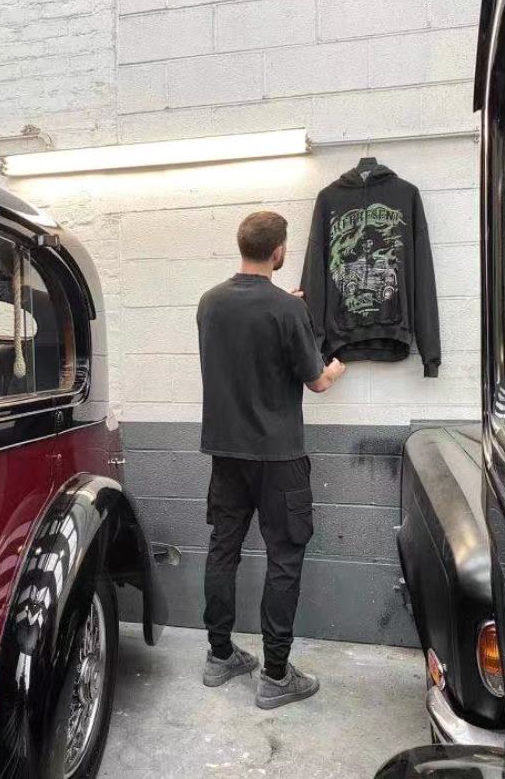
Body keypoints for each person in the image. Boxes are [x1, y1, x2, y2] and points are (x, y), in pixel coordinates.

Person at [197, 211, 346, 709]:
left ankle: (220, 656)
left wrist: (290, 311)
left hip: (226, 454)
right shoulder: (287, 309)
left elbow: (247, 338)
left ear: (242, 245)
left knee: (223, 549)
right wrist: (336, 368)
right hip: (279, 458)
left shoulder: (210, 303)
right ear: (279, 250)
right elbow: (317, 381)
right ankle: (276, 676)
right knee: (284, 557)